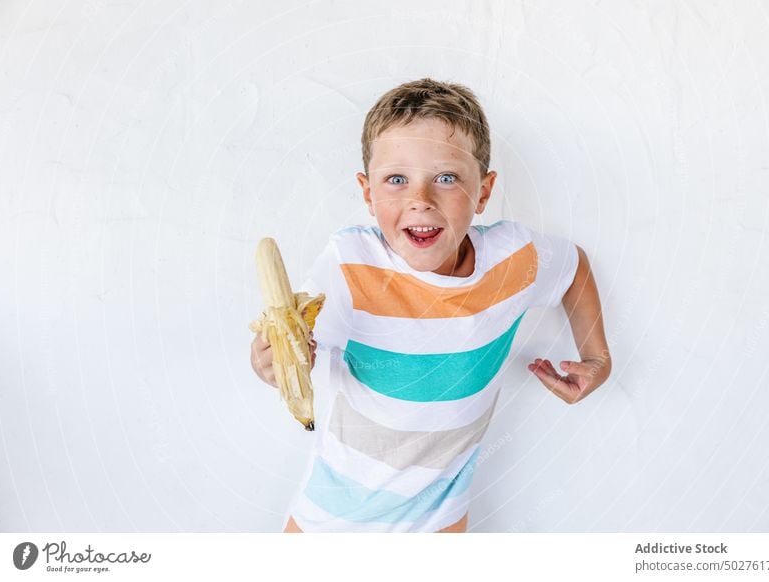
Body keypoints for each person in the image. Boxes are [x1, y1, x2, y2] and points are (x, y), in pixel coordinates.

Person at [250, 77, 611, 533]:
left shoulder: (514, 259)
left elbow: (573, 268)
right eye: (396, 180)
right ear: (367, 192)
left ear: (483, 192)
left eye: (446, 178)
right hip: (331, 524)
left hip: (440, 524)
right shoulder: (349, 267)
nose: (420, 201)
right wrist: (269, 360)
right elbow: (290, 341)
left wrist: (598, 355)